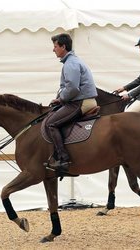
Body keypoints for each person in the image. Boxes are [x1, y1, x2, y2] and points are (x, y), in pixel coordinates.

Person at [45, 33, 98, 173]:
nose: (53, 49)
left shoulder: (71, 63)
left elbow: (73, 88)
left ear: (63, 47)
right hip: (79, 100)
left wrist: (61, 99)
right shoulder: (71, 61)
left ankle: (63, 159)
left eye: (55, 46)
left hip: (81, 102)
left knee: (51, 123)